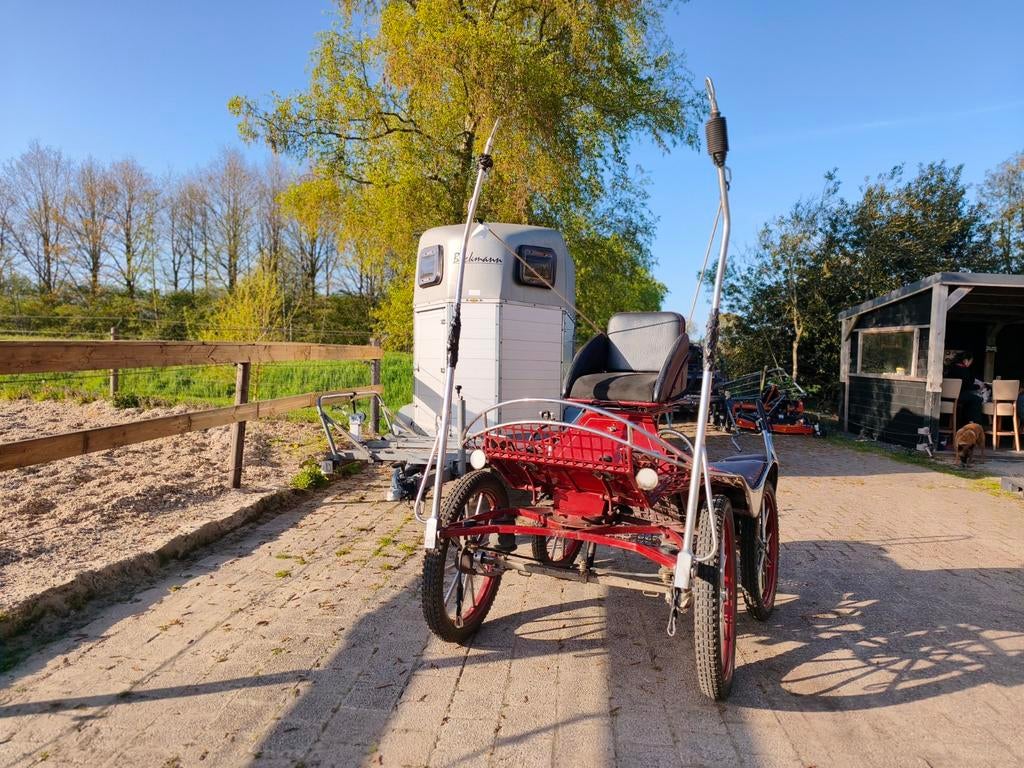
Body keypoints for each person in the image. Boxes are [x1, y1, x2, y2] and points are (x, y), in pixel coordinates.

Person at [946, 354, 985, 425]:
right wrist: (978, 386)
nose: (970, 364)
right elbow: (967, 386)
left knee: (969, 399)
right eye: (970, 362)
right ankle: (974, 423)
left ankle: (967, 422)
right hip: (958, 395)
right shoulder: (963, 370)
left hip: (946, 397)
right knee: (977, 399)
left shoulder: (951, 367)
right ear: (966, 361)